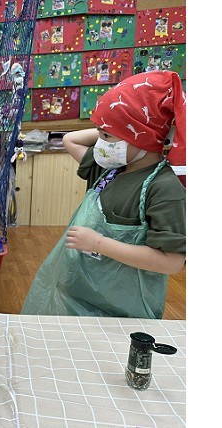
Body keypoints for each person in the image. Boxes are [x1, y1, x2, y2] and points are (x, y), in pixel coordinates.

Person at [21, 70, 186, 319]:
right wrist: (108, 126)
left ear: (141, 138)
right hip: (78, 296)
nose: (100, 144)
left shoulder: (163, 188)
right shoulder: (109, 169)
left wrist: (99, 244)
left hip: (123, 314)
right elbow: (71, 140)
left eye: (106, 136)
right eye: (99, 134)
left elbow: (171, 262)